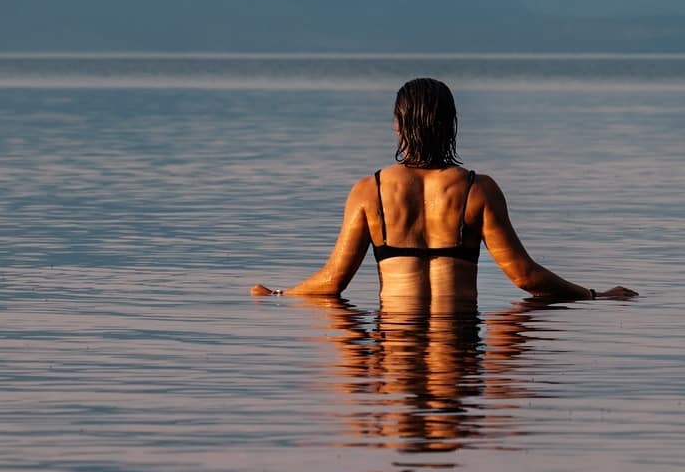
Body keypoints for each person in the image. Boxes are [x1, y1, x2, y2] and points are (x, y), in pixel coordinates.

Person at [250, 76, 637, 306]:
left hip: (394, 355)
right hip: (459, 357)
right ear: (450, 126)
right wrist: (594, 296)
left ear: (400, 126)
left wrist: (278, 296)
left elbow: (333, 282)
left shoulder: (370, 191)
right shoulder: (477, 190)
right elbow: (525, 276)